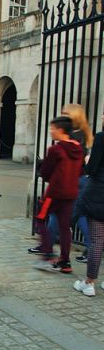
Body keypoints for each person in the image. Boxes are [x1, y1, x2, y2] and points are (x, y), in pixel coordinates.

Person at [31, 103, 94, 262]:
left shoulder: (67, 142)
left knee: (49, 216)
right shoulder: (79, 140)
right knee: (61, 221)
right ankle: (56, 252)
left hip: (63, 186)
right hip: (72, 185)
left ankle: (50, 249)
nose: (62, 115)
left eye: (66, 113)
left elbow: (47, 171)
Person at [34, 116, 84, 273]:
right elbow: (80, 171)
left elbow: (45, 172)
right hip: (71, 192)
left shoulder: (55, 149)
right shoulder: (78, 148)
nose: (51, 132)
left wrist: (50, 176)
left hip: (54, 193)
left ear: (61, 130)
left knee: (40, 219)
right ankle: (65, 261)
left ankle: (48, 254)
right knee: (64, 227)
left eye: (53, 129)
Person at [73, 113, 104, 296]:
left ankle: (89, 282)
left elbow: (91, 169)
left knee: (97, 240)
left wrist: (87, 161)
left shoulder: (101, 137)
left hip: (99, 192)